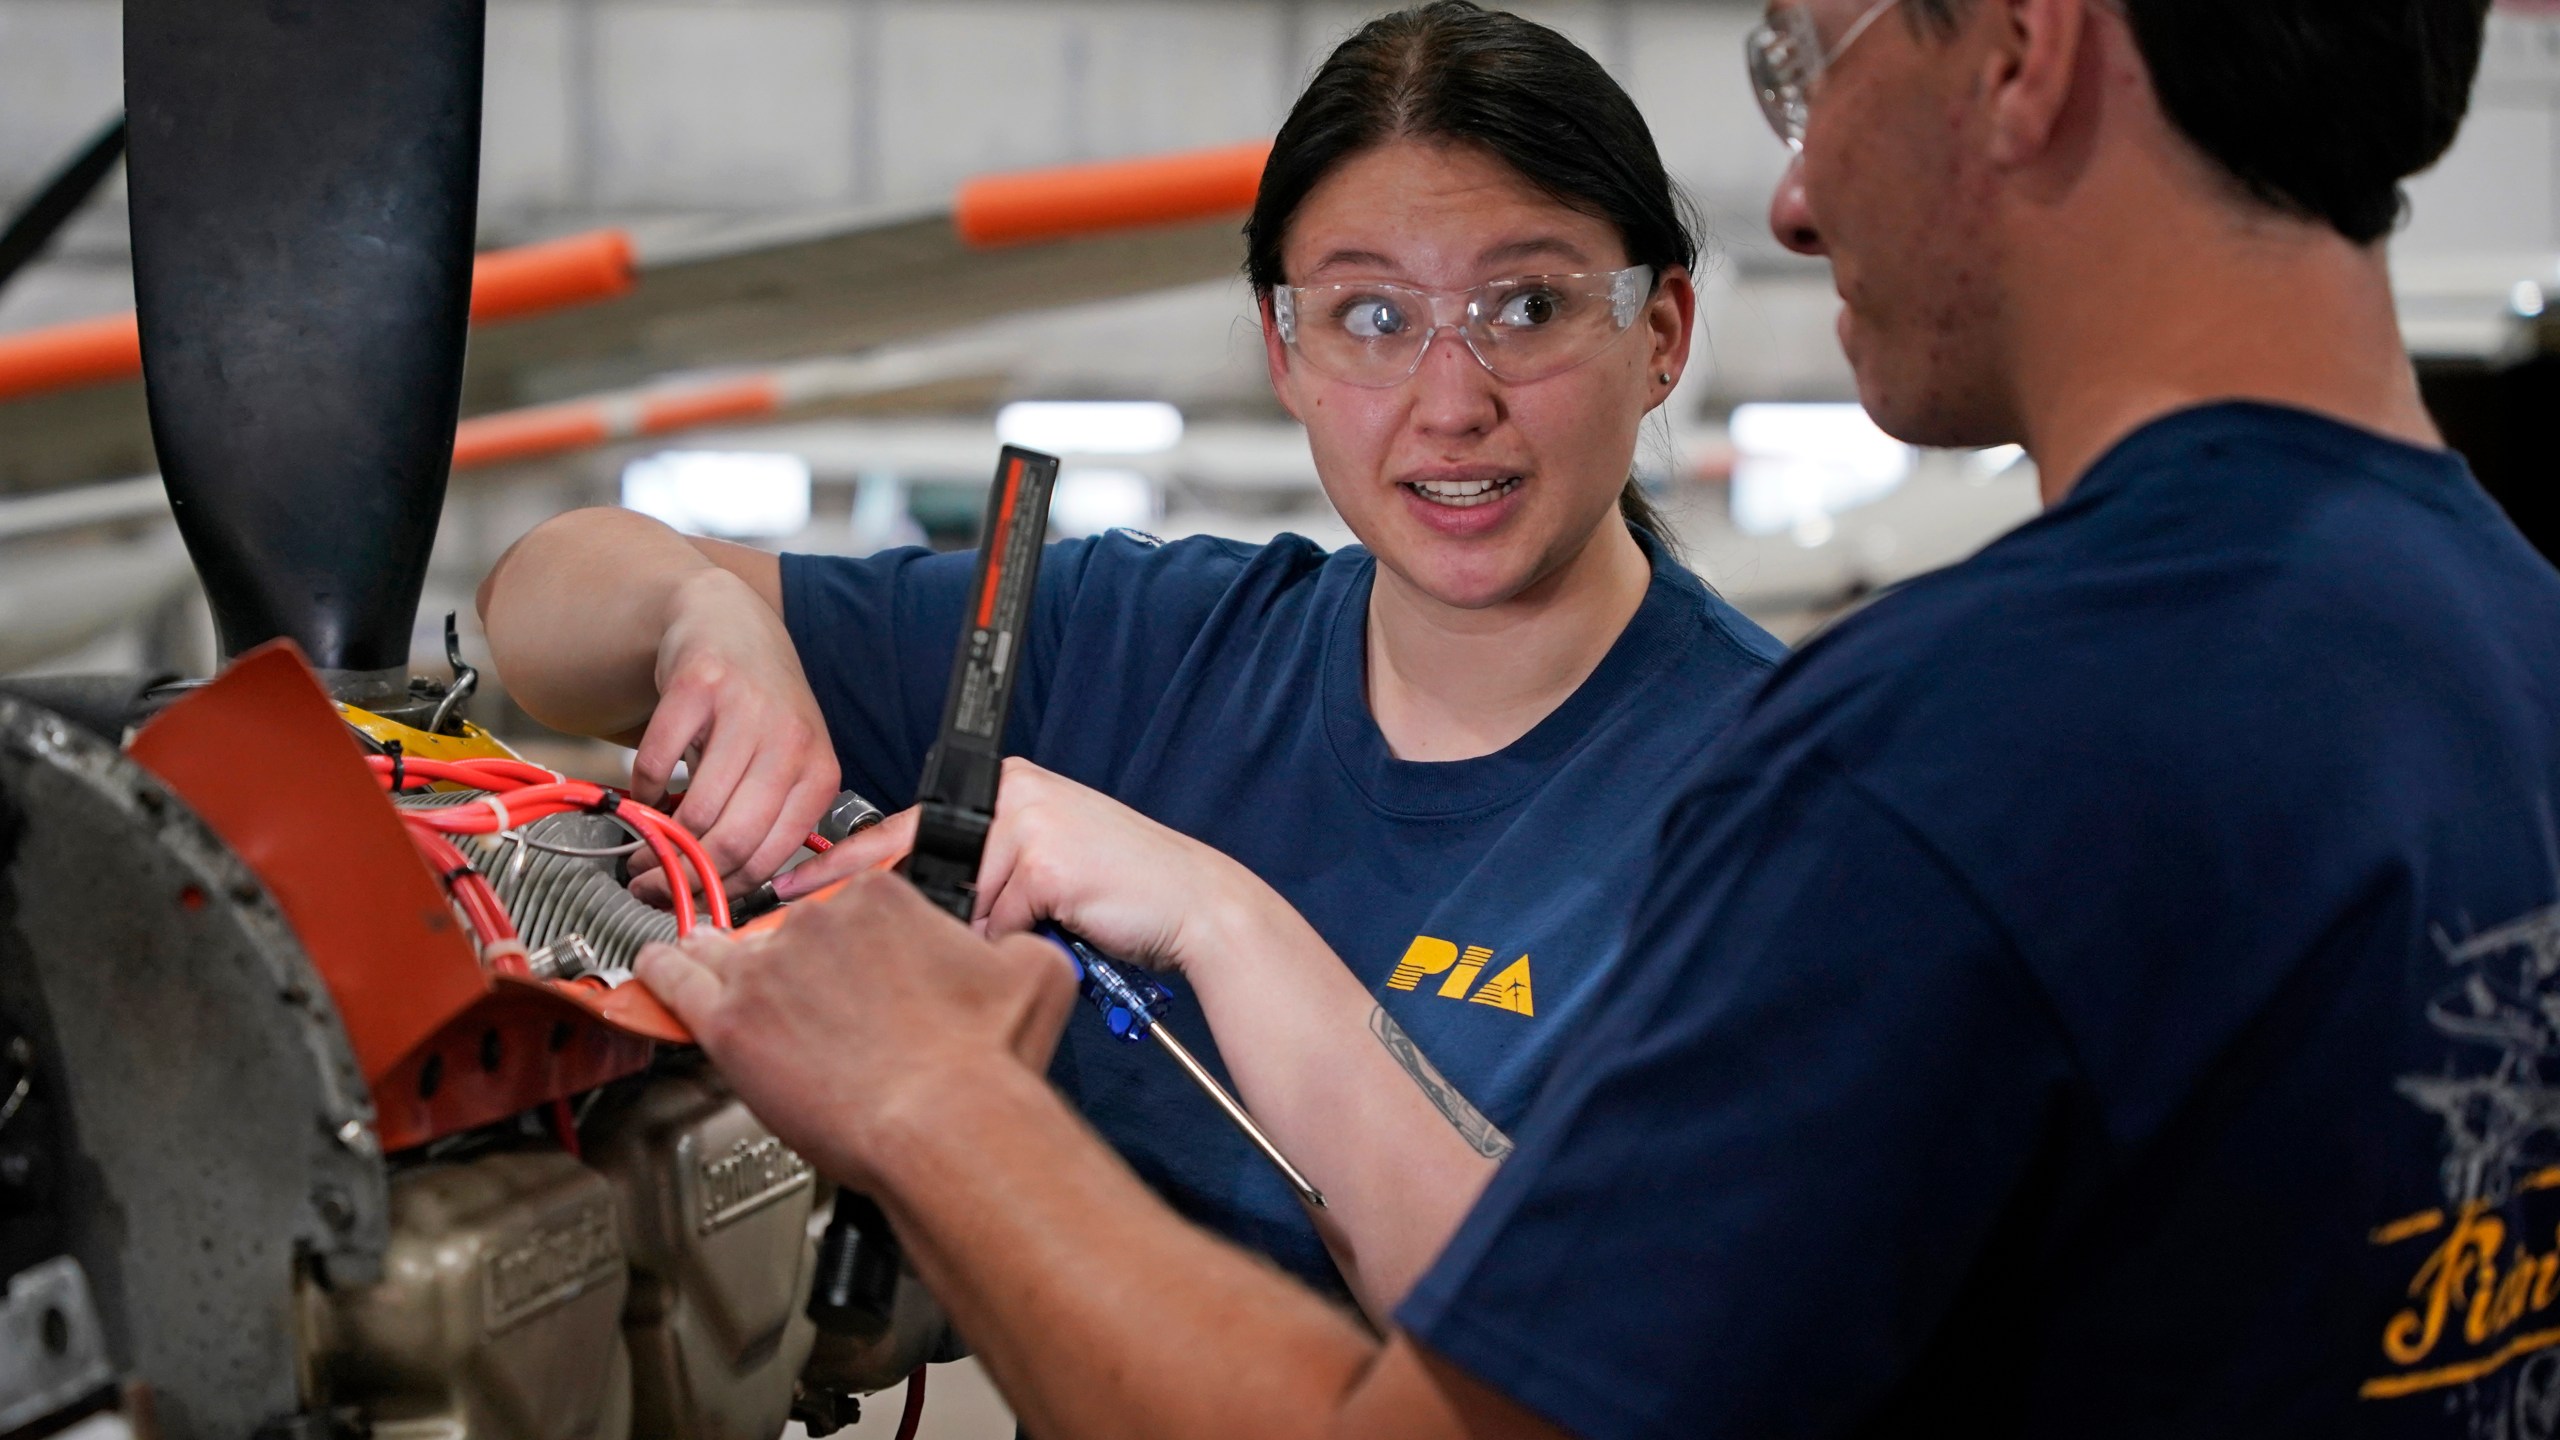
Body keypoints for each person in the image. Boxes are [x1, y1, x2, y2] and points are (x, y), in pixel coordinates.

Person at [636, 0, 2560, 1435]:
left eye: (1807, 66)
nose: (1797, 197)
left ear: (2027, 53)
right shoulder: (2510, 642)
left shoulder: (1949, 760)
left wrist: (932, 1096)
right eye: (1370, 317)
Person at [478, 4, 1784, 1320]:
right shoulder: (1138, 645)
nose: (1451, 402)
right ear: (1284, 347)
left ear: (1661, 332)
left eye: (1528, 305)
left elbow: (1597, 1344)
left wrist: (1212, 917)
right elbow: (545, 597)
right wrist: (705, 618)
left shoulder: (1786, 801)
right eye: (1372, 314)